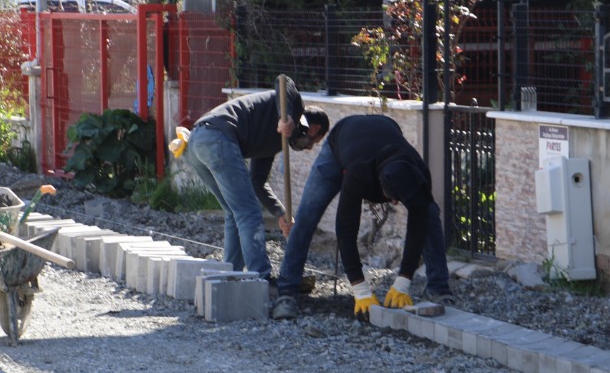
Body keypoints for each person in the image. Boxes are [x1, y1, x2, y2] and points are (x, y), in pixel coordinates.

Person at [270, 113, 454, 321]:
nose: (394, 203)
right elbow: (345, 229)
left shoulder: (418, 172)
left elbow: (418, 222)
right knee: (307, 215)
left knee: (428, 213)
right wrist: (360, 288)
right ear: (381, 189)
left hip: (384, 130)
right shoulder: (358, 174)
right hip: (341, 142)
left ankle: (439, 288)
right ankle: (286, 293)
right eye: (393, 199)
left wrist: (404, 280)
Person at [171, 85, 328, 284]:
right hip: (216, 138)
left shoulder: (275, 139)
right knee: (249, 212)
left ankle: (229, 277)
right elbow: (284, 82)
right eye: (313, 141)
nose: (309, 148)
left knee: (234, 211)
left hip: (198, 143)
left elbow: (258, 182)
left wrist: (280, 214)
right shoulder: (294, 106)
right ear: (314, 129)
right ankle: (260, 278)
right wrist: (286, 116)